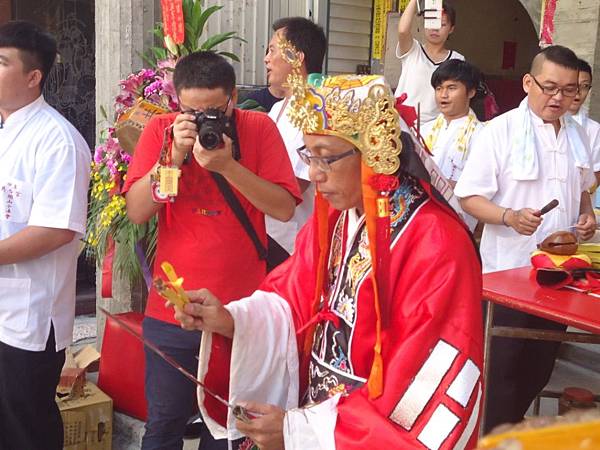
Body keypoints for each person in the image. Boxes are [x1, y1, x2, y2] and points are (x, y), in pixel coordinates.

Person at [174, 74, 484, 449]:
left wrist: (301, 433)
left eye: (326, 158)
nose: (314, 175)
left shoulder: (435, 241)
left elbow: (422, 385)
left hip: (356, 433)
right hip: (320, 419)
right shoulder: (339, 216)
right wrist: (231, 319)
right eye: (309, 156)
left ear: (374, 151)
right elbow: (292, 297)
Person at [123, 51, 301, 450]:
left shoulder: (258, 129)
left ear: (233, 98)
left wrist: (227, 167)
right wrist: (173, 157)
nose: (205, 121)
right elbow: (137, 211)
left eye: (215, 111)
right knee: (164, 424)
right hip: (172, 309)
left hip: (239, 315)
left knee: (227, 432)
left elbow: (284, 208)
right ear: (177, 102)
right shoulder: (161, 131)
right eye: (192, 111)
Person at [454, 45, 597, 432]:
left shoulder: (578, 134)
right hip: (508, 277)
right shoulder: (497, 132)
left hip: (559, 276)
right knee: (500, 376)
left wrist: (586, 217)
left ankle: (512, 434)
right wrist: (508, 216)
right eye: (550, 87)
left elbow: (582, 188)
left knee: (539, 369)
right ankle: (491, 437)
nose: (559, 98)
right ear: (528, 83)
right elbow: (469, 196)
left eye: (569, 90)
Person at [0, 21, 91, 450]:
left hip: (28, 318)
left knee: (25, 426)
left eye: (1, 62)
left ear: (33, 76)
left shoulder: (57, 140)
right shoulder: (7, 131)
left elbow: (55, 229)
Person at [263, 17, 327, 269]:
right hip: (270, 235)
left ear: (297, 57)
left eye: (272, 50)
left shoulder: (317, 105)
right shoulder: (278, 107)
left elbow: (295, 186)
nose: (267, 59)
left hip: (295, 243)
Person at [421, 59, 484, 230]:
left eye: (451, 88)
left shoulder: (482, 134)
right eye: (439, 88)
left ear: (470, 92)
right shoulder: (424, 129)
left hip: (458, 220)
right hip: (423, 215)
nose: (443, 95)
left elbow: (481, 184)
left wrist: (445, 185)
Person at [395, 0, 464, 124]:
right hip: (401, 124)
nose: (435, 29)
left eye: (442, 24)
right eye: (431, 23)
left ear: (451, 29)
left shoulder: (457, 60)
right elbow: (402, 31)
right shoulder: (413, 50)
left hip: (434, 129)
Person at [569, 58, 600, 186]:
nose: (578, 92)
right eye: (573, 85)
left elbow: (597, 172)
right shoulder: (549, 123)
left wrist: (584, 193)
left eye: (584, 86)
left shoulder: (594, 129)